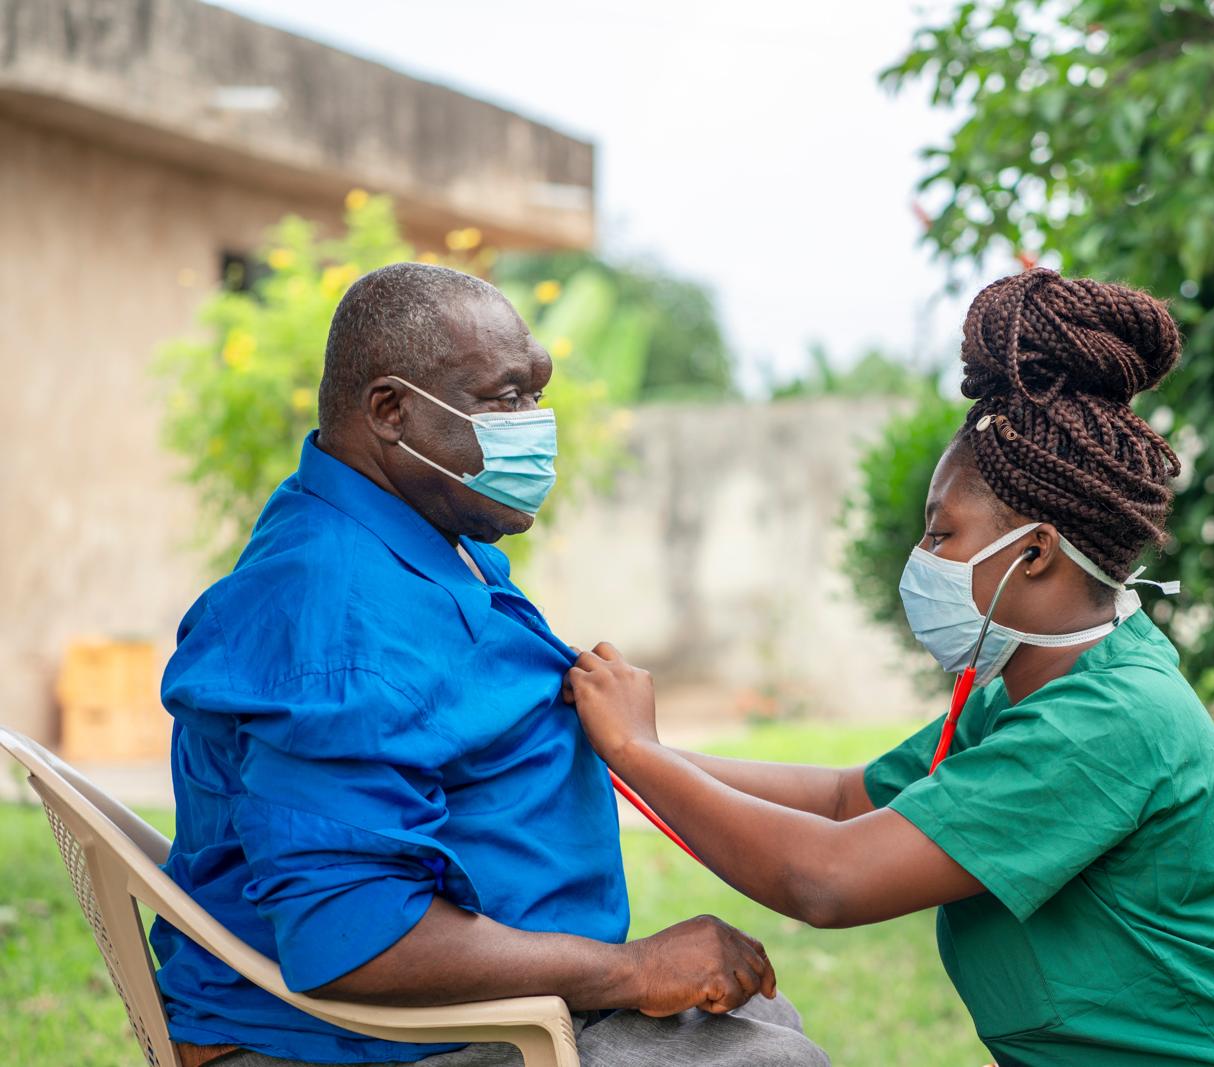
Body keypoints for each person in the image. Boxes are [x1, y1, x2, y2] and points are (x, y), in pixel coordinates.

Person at [566, 269, 1214, 1066]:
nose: (920, 557)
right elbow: (845, 800)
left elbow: (828, 878)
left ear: (1034, 552)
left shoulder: (1106, 720)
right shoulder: (1028, 686)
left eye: (941, 534)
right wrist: (627, 752)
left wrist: (638, 754)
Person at [154, 262, 827, 1067]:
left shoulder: (420, 536)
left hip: (467, 1010)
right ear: (391, 412)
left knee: (765, 1026)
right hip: (354, 1040)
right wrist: (636, 968)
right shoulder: (339, 622)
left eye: (535, 394)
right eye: (504, 399)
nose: (534, 424)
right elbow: (354, 941)